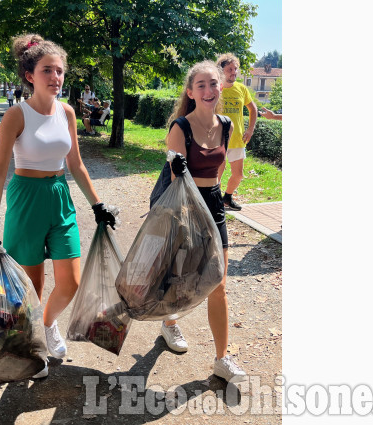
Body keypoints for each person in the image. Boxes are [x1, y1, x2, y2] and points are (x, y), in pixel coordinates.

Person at [0, 34, 117, 379]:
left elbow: (76, 164)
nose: (55, 77)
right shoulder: (17, 115)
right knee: (32, 287)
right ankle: (32, 349)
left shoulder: (68, 112)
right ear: (30, 75)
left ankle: (47, 324)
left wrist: (97, 205)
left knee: (70, 281)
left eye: (59, 71)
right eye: (48, 70)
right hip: (26, 199)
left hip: (60, 196)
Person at [160, 60, 247, 383]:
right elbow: (175, 179)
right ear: (190, 91)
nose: (209, 90)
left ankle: (222, 360)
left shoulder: (226, 124)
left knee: (219, 284)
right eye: (202, 85)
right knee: (182, 276)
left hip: (213, 203)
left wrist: (218, 196)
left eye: (214, 83)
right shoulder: (180, 128)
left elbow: (220, 169)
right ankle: (169, 322)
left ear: (221, 86)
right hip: (185, 206)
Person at [216, 53, 257, 211]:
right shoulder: (215, 88)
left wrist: (250, 130)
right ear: (221, 70)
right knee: (217, 173)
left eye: (235, 69)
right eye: (230, 69)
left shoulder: (241, 88)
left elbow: (253, 109)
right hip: (217, 138)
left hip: (237, 138)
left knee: (238, 174)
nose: (234, 72)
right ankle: (213, 199)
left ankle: (227, 198)